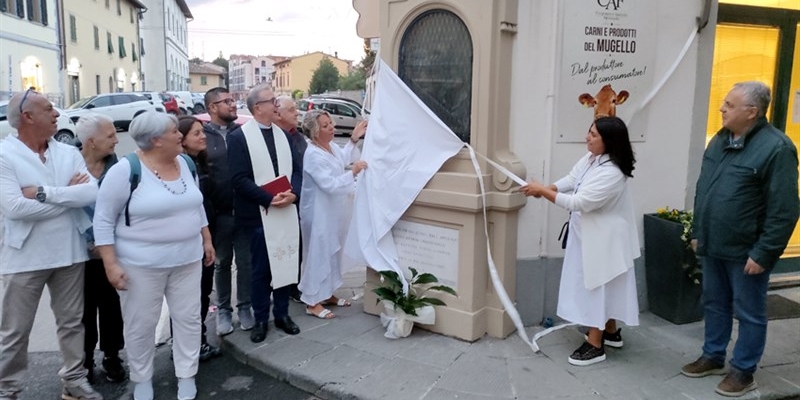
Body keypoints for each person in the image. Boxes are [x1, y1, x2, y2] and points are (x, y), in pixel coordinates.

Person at [682, 81, 799, 397]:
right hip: (713, 243)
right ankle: (713, 355)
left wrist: (764, 253)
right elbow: (703, 189)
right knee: (715, 303)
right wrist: (697, 232)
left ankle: (744, 371)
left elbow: (784, 209)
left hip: (747, 250)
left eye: (729, 105)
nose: (722, 108)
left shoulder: (778, 148)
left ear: (752, 112)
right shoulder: (719, 140)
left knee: (749, 311)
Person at [93, 112, 215, 400]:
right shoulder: (126, 171)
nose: (180, 136)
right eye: (175, 131)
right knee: (141, 324)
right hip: (141, 265)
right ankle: (142, 379)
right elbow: (103, 220)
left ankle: (187, 375)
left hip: (187, 259)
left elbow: (195, 205)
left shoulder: (185, 163)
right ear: (156, 140)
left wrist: (206, 239)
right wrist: (110, 264)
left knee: (188, 320)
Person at [0, 89, 102, 400]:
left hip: (68, 250)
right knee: (15, 331)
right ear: (27, 117)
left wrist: (44, 193)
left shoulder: (68, 152)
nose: (57, 113)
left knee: (72, 322)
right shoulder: (4, 154)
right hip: (24, 255)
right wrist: (67, 197)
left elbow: (92, 192)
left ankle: (74, 379)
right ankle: (7, 388)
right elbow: (14, 208)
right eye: (49, 109)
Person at [519, 116, 640, 366]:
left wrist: (543, 191)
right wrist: (549, 187)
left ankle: (595, 345)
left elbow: (579, 202)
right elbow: (572, 179)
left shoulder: (612, 173)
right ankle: (610, 331)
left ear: (609, 142)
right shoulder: (591, 159)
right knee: (606, 284)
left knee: (596, 286)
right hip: (590, 236)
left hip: (604, 240)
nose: (587, 137)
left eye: (594, 135)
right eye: (589, 132)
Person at [227, 84, 302, 343]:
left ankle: (282, 314)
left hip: (286, 211)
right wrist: (270, 199)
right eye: (272, 101)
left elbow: (298, 172)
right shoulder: (239, 138)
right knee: (261, 270)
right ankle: (261, 318)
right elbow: (239, 179)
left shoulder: (285, 135)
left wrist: (294, 194)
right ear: (258, 108)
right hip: (259, 214)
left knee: (286, 262)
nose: (277, 105)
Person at [299, 110, 367, 318]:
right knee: (318, 254)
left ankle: (327, 293)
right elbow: (328, 184)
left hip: (334, 211)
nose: (332, 128)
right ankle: (312, 301)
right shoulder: (312, 155)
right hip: (319, 213)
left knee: (332, 253)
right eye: (327, 126)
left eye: (331, 123)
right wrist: (353, 173)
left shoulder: (330, 147)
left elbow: (343, 157)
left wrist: (354, 139)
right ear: (316, 131)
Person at [76, 113, 126, 383]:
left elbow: (122, 208)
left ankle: (112, 355)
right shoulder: (69, 166)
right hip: (75, 252)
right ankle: (83, 359)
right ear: (91, 141)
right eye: (110, 136)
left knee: (110, 306)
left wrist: (105, 241)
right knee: (80, 309)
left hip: (108, 252)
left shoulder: (117, 167)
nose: (117, 140)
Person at [203, 87, 254, 336]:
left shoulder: (242, 133)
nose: (233, 105)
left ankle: (245, 306)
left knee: (245, 262)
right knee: (222, 263)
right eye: (227, 101)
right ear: (212, 107)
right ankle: (224, 309)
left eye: (233, 100)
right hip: (219, 215)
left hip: (244, 211)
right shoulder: (203, 136)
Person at [179, 115, 222, 361]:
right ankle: (187, 346)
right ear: (181, 140)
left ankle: (197, 340)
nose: (203, 136)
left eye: (202, 132)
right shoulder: (180, 166)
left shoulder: (201, 163)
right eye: (196, 133)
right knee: (188, 296)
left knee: (202, 293)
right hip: (191, 239)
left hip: (207, 236)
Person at [274, 95, 307, 302]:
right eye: (292, 109)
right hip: (273, 202)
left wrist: (295, 192)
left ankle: (293, 286)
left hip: (297, 199)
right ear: (277, 113)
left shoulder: (298, 137)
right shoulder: (269, 136)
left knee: (296, 246)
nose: (297, 113)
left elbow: (301, 169)